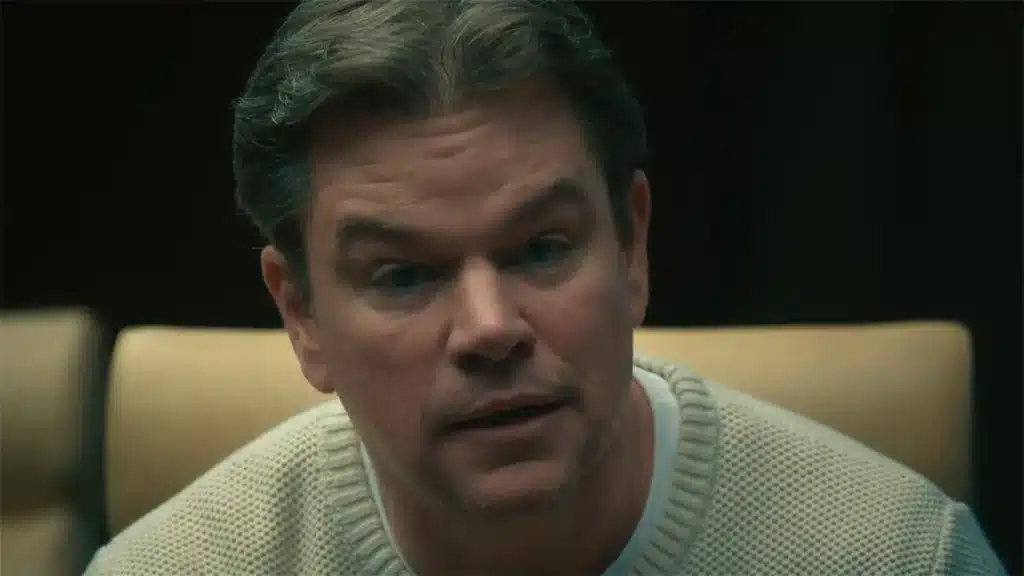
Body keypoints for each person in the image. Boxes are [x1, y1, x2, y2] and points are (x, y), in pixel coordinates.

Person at [85, 1, 1007, 574]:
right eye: (402, 275)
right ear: (302, 316)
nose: (490, 328)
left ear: (632, 249)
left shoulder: (895, 555)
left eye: (540, 250)